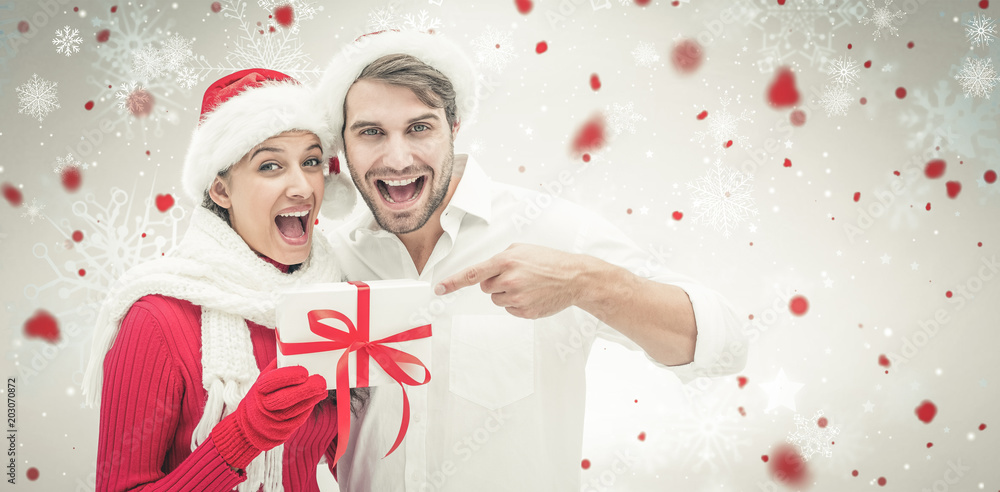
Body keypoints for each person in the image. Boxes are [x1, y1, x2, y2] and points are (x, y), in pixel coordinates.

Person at [316, 30, 748, 490]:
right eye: (371, 133)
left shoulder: (552, 229)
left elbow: (725, 347)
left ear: (454, 128)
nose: (398, 158)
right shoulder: (328, 261)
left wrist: (587, 282)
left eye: (420, 127)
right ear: (342, 145)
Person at [82, 69, 359, 492]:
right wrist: (238, 441)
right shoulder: (157, 318)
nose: (303, 186)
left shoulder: (331, 298)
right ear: (220, 191)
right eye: (270, 166)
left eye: (311, 161)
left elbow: (357, 462)